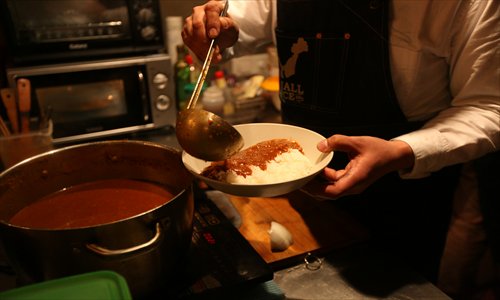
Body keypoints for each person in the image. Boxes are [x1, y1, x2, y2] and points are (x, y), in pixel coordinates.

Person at [182, 0, 499, 297]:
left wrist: (404, 150)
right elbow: (242, 21)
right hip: (296, 188)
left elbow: (488, 105)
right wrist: (217, 29)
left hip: (403, 197)